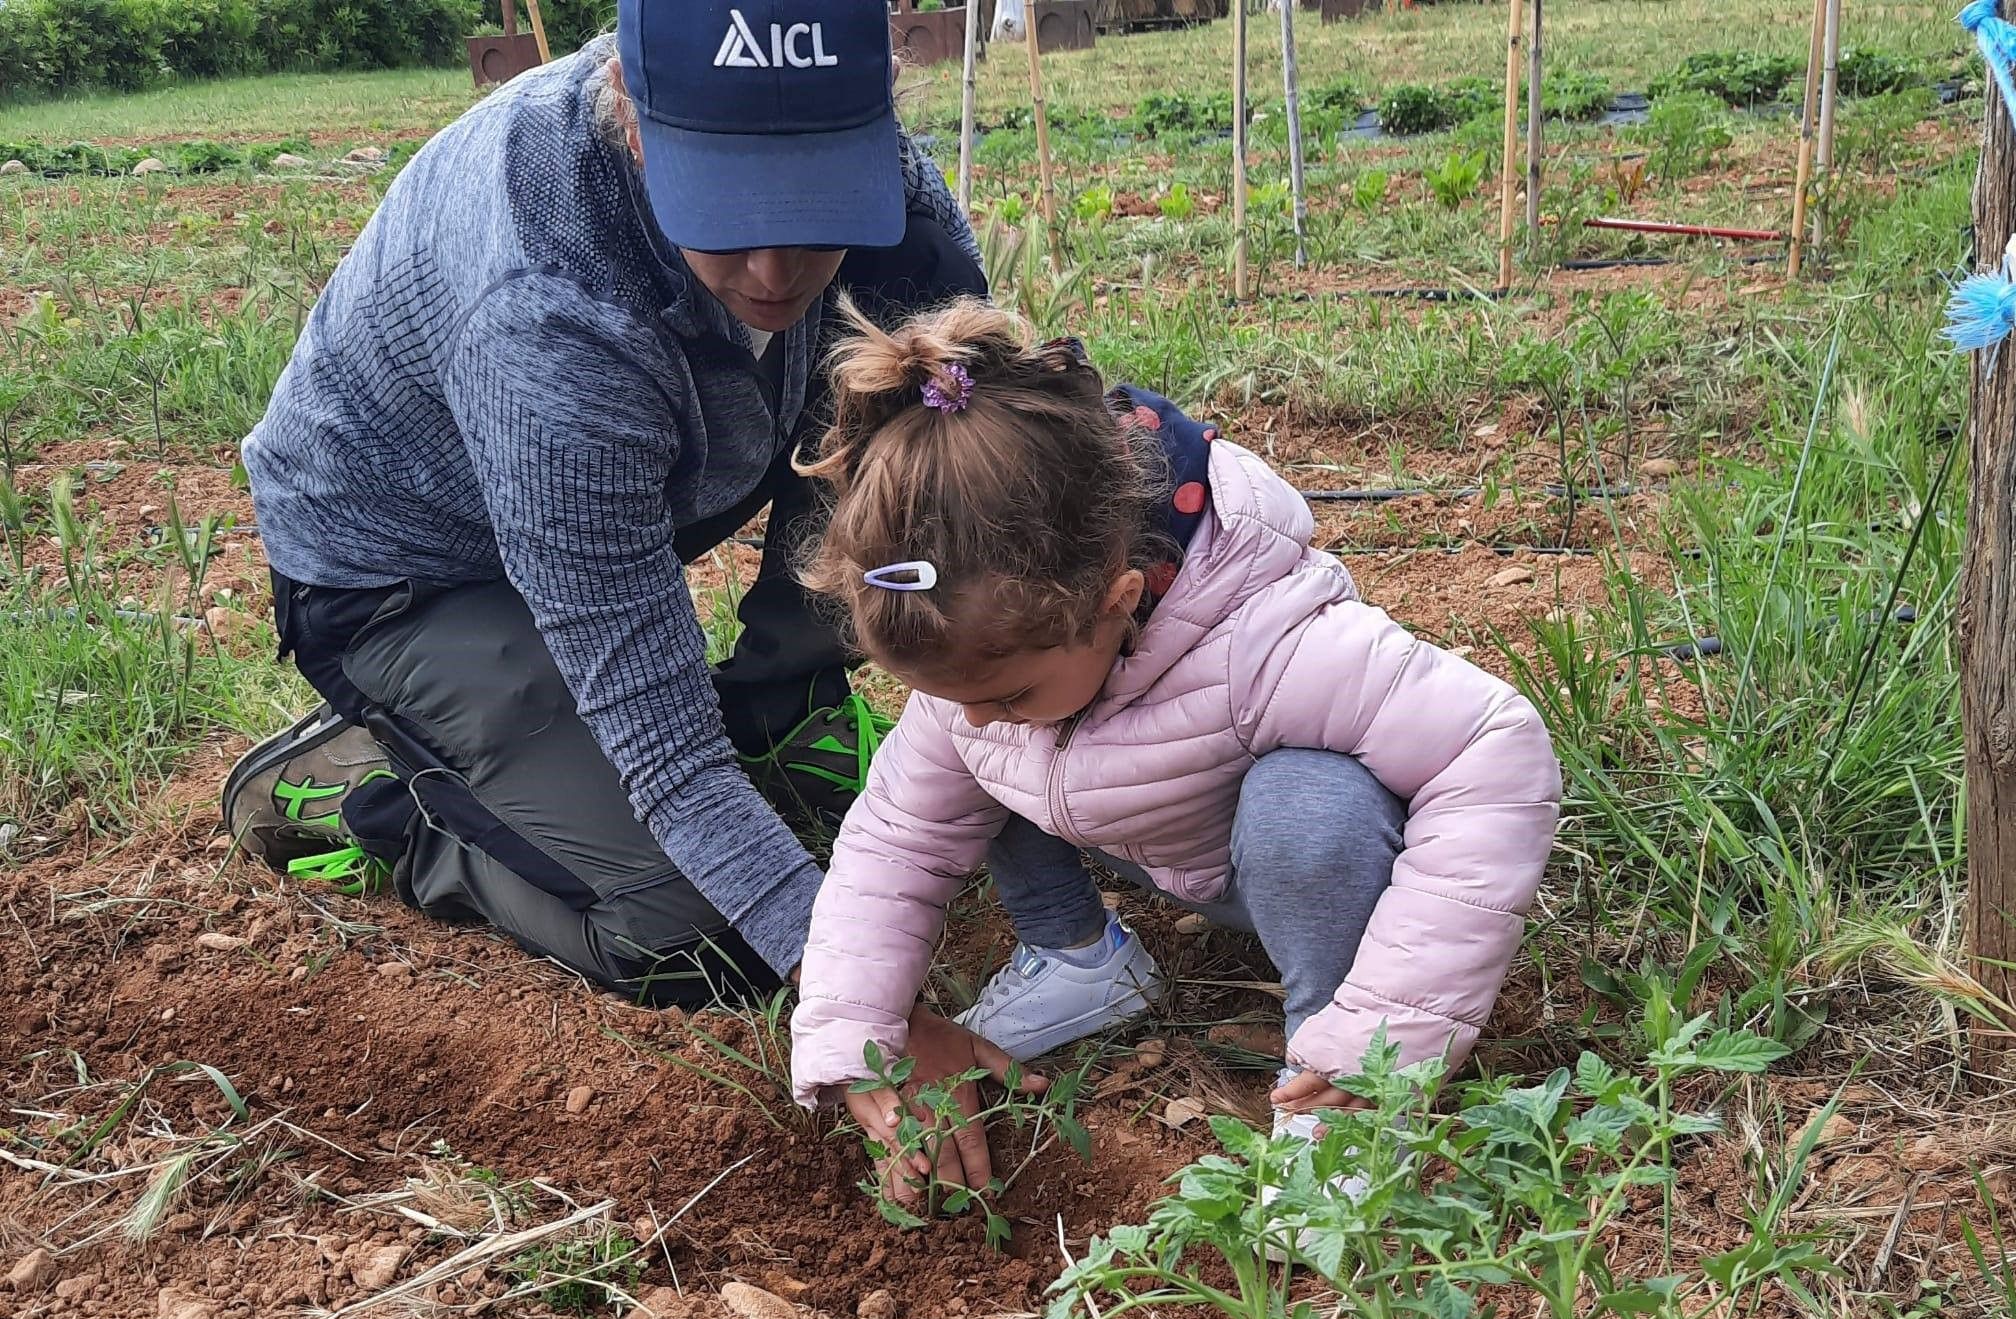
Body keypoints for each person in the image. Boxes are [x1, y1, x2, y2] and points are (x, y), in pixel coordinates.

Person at [220, 1, 1162, 1087]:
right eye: (724, 213)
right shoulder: (548, 307)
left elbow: (960, 464)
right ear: (633, 123)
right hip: (409, 571)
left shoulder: (884, 189)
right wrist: (864, 1007)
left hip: (642, 481)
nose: (773, 270)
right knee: (687, 930)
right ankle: (383, 798)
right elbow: (664, 750)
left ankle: (780, 708)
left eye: (812, 211)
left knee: (906, 423)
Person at [785, 301, 1562, 1206]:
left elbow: (1495, 749)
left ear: (1115, 599)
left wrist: (1385, 1036)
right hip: (1151, 835)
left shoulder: (1268, 640)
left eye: (1009, 692)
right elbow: (897, 844)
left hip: (1282, 862)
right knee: (966, 756)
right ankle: (1080, 958)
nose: (986, 717)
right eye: (956, 693)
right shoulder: (997, 665)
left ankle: (1336, 1097)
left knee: (1310, 801)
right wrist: (858, 1037)